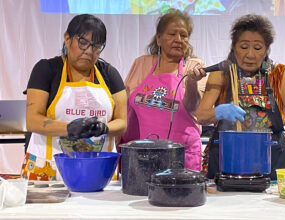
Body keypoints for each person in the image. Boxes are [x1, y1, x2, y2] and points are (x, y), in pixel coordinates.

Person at [195, 14, 285, 180]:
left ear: (266, 50)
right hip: (227, 156)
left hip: (272, 155)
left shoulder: (278, 74)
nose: (250, 54)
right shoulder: (221, 74)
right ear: (234, 47)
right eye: (243, 47)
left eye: (257, 48)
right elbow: (201, 115)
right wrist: (218, 112)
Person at [21, 14, 127, 180]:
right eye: (83, 43)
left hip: (98, 171)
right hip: (49, 170)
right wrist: (69, 129)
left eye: (96, 46)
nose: (89, 51)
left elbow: (122, 122)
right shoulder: (46, 70)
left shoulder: (110, 74)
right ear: (67, 38)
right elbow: (32, 120)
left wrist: (103, 128)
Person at [120, 9, 207, 171]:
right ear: (159, 39)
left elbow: (193, 108)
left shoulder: (194, 66)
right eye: (172, 34)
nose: (178, 40)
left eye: (184, 35)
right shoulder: (141, 64)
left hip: (181, 158)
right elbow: (125, 105)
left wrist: (192, 84)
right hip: (143, 157)